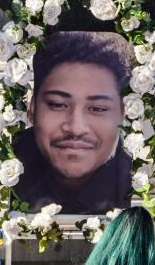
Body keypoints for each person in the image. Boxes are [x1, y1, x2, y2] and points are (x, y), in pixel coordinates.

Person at [15, 31, 132, 213]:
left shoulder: (137, 177)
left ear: (122, 113)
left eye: (98, 109)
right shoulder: (3, 168)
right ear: (32, 108)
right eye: (57, 104)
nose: (76, 128)